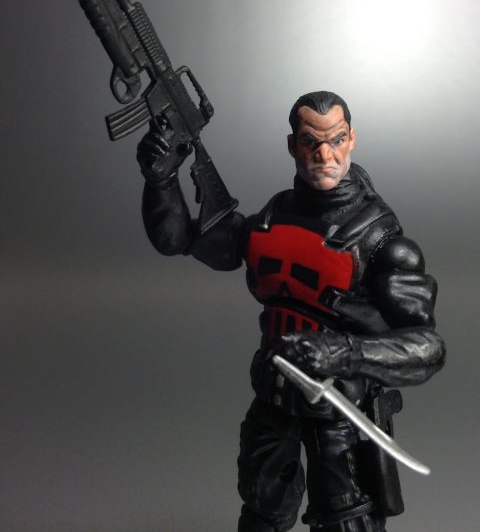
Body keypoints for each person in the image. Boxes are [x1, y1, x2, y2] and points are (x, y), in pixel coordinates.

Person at [136, 91, 446, 532]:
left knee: (346, 519)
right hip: (274, 397)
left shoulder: (381, 241)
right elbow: (178, 239)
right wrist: (161, 181)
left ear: (352, 140)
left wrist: (344, 353)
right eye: (309, 141)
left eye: (336, 140)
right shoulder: (273, 218)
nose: (324, 154)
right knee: (261, 513)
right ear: (292, 145)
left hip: (340, 408)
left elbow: (427, 348)